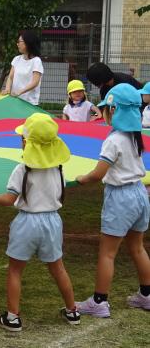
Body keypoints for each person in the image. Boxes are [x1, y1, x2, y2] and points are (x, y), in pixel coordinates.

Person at [0, 113, 80, 331]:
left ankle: (13, 317)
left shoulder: (22, 169)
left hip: (27, 222)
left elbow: (9, 199)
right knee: (58, 268)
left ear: (26, 142)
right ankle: (72, 311)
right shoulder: (58, 168)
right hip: (53, 221)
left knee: (15, 269)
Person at [75, 84, 150, 317]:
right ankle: (147, 295)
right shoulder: (135, 137)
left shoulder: (114, 140)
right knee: (137, 247)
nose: (104, 113)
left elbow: (98, 174)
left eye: (107, 108)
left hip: (121, 198)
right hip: (140, 193)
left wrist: (82, 179)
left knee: (107, 252)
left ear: (114, 109)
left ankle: (99, 301)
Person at [1, 31, 44, 105]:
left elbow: (35, 82)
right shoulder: (16, 59)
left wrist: (19, 92)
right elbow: (10, 77)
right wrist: (7, 89)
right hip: (16, 100)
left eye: (19, 41)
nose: (17, 44)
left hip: (30, 103)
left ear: (28, 43)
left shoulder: (36, 61)